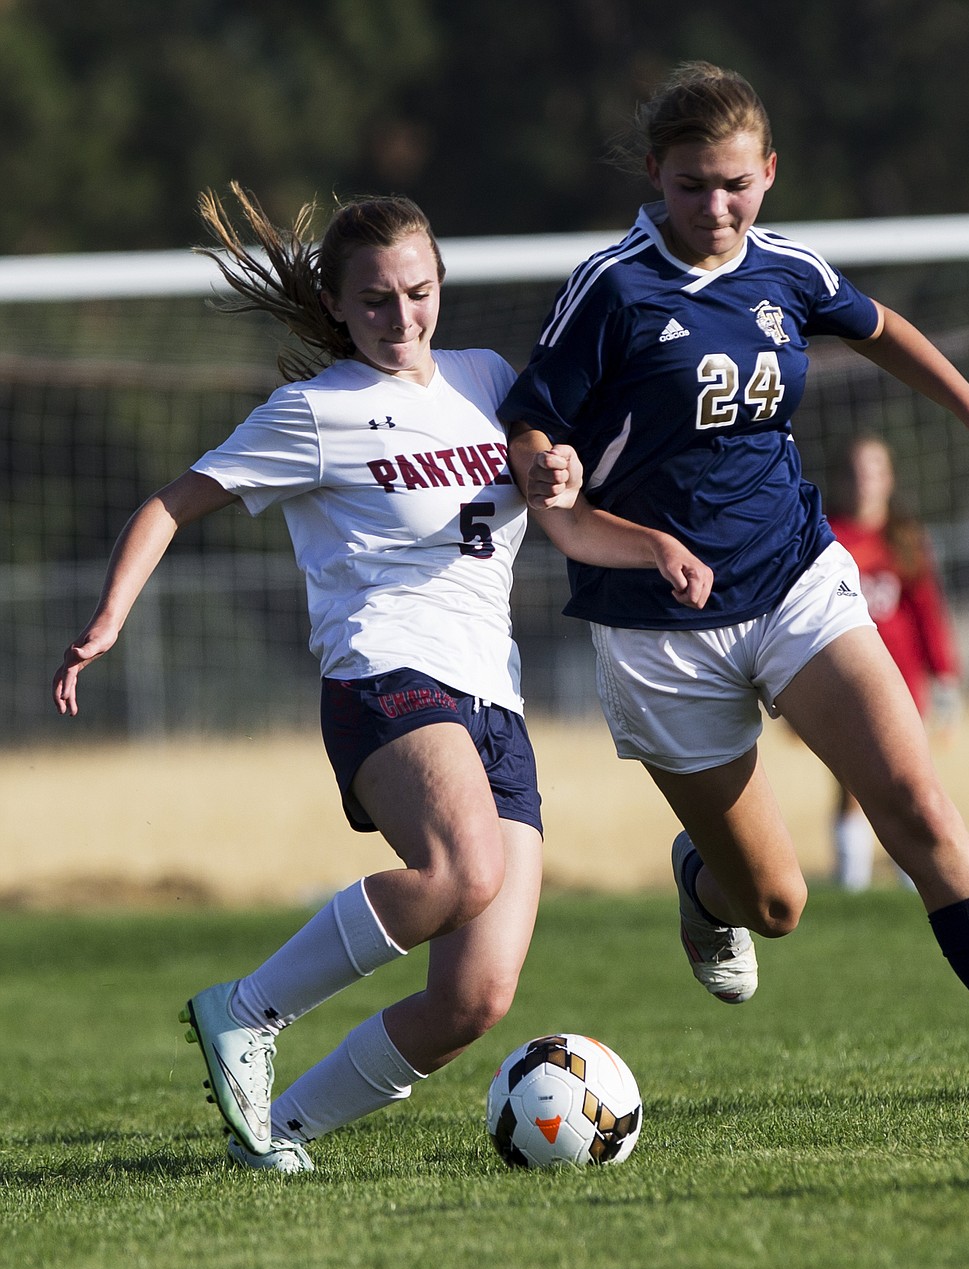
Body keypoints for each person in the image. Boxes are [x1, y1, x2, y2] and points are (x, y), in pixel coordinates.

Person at [501, 60, 969, 1131]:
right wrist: (546, 467)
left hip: (797, 579)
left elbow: (877, 324)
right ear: (656, 177)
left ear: (768, 173)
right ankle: (703, 884)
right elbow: (535, 418)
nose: (716, 207)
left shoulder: (785, 269)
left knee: (917, 807)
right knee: (777, 902)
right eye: (692, 185)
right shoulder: (612, 288)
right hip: (657, 626)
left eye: (736, 184)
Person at [51, 183, 711, 1173]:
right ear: (337, 308)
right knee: (461, 872)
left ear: (440, 284)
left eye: (417, 291)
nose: (400, 317)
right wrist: (109, 618)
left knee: (474, 999)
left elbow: (561, 519)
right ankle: (244, 1012)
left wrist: (653, 543)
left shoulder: (488, 379)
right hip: (385, 676)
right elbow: (168, 505)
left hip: (496, 703)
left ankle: (278, 1135)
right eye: (373, 300)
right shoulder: (315, 413)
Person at [825, 434, 962, 891]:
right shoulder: (827, 538)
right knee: (852, 782)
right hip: (843, 680)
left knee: (908, 779)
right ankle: (853, 882)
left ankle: (916, 879)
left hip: (902, 684)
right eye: (857, 472)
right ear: (843, 480)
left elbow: (929, 613)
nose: (866, 482)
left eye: (875, 471)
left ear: (890, 479)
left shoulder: (905, 540)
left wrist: (945, 679)